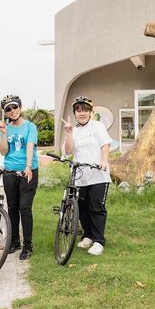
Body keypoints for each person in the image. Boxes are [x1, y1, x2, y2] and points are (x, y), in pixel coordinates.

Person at [62, 96, 112, 256]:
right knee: (82, 208)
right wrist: (69, 133)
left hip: (98, 174)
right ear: (75, 113)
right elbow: (69, 151)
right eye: (78, 110)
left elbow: (105, 144)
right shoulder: (74, 130)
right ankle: (88, 236)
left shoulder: (97, 126)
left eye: (85, 110)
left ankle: (98, 241)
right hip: (80, 175)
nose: (82, 113)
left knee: (96, 208)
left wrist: (104, 161)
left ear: (90, 112)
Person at [0, 94, 38, 260]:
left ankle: (28, 245)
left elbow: (29, 147)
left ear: (20, 107)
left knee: (24, 208)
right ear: (5, 113)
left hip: (28, 171)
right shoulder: (6, 127)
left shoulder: (30, 126)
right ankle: (14, 241)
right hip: (9, 171)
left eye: (15, 107)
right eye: (8, 109)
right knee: (12, 207)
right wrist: (4, 134)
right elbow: (3, 151)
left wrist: (28, 166)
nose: (12, 111)